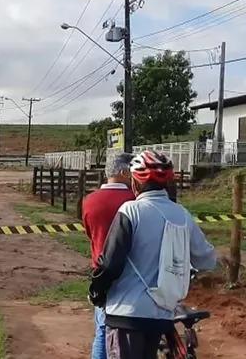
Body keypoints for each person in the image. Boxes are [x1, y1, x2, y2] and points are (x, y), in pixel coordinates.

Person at [90, 150, 217, 359]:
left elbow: (110, 263)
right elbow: (207, 259)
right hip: (161, 315)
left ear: (135, 183)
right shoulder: (181, 214)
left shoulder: (131, 211)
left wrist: (96, 291)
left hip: (126, 314)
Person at [81, 153, 136, 359]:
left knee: (102, 331)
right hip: (131, 273)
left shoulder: (89, 201)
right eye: (132, 171)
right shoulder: (133, 200)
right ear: (123, 172)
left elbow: (89, 233)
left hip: (100, 273)